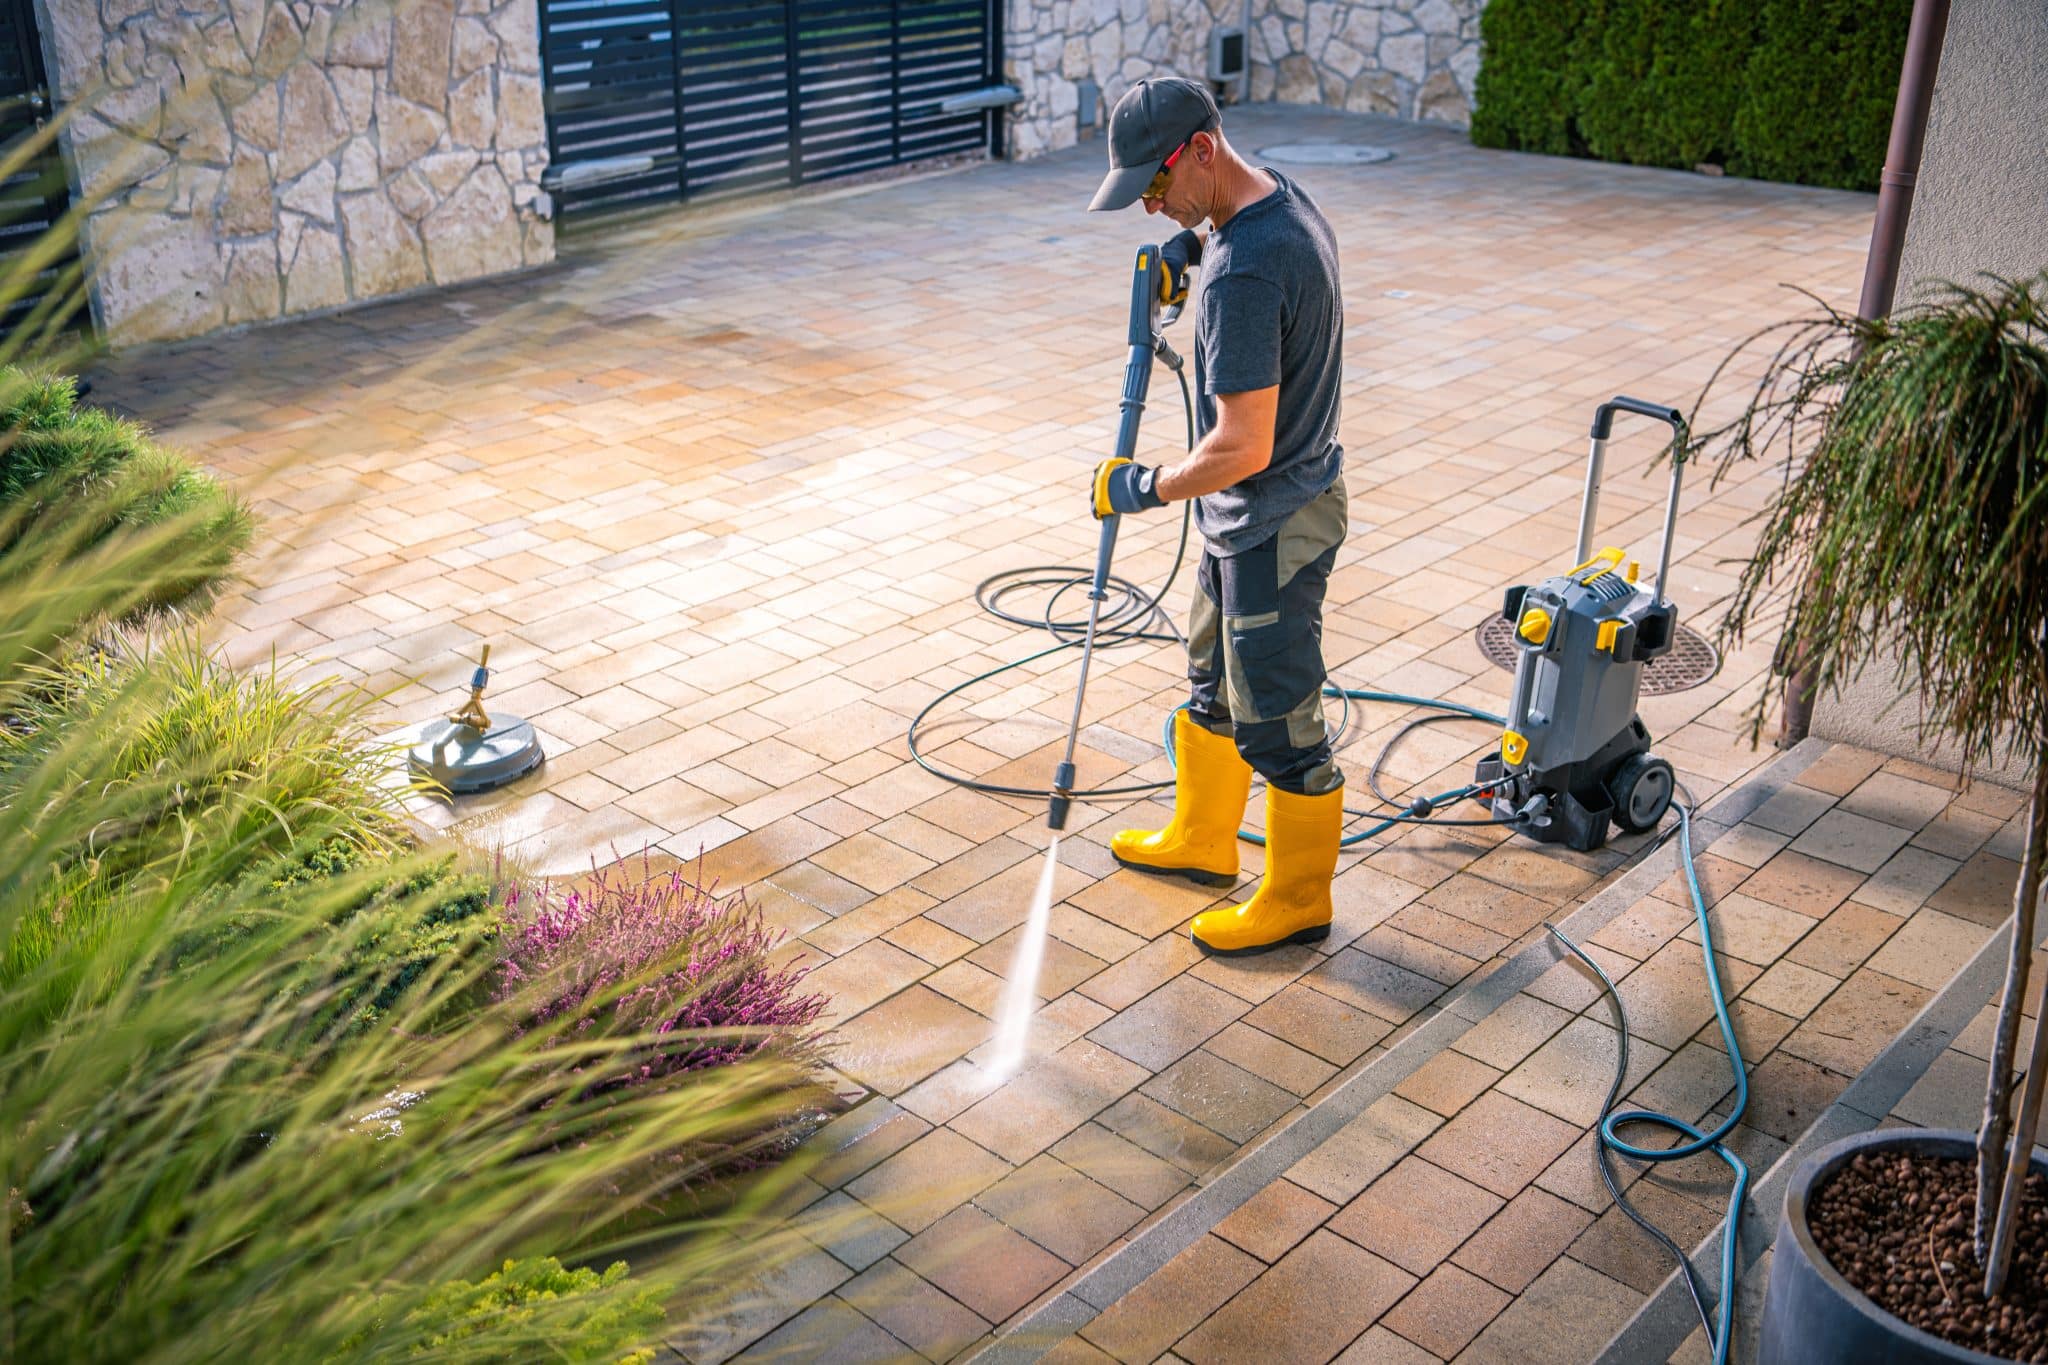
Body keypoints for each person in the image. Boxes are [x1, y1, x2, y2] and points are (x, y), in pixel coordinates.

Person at [1086, 75, 1348, 957]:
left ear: (1202, 149)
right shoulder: (1274, 200)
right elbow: (1231, 238)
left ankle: (1298, 896)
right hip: (1243, 518)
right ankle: (1204, 841)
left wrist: (1144, 485)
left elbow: (1244, 445)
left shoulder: (1246, 274)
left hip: (1274, 516)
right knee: (1212, 681)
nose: (1150, 207)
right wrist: (1187, 253)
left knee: (1278, 715)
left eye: (1156, 187)